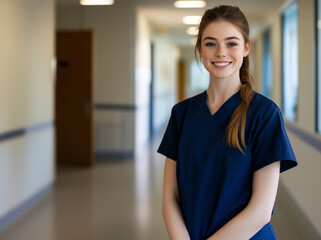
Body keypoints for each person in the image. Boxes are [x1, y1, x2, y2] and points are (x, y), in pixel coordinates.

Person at [157, 5, 298, 240]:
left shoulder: (264, 114)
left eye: (231, 43)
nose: (221, 52)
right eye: (211, 43)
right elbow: (169, 198)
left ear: (246, 48)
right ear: (200, 49)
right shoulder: (181, 114)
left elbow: (261, 212)